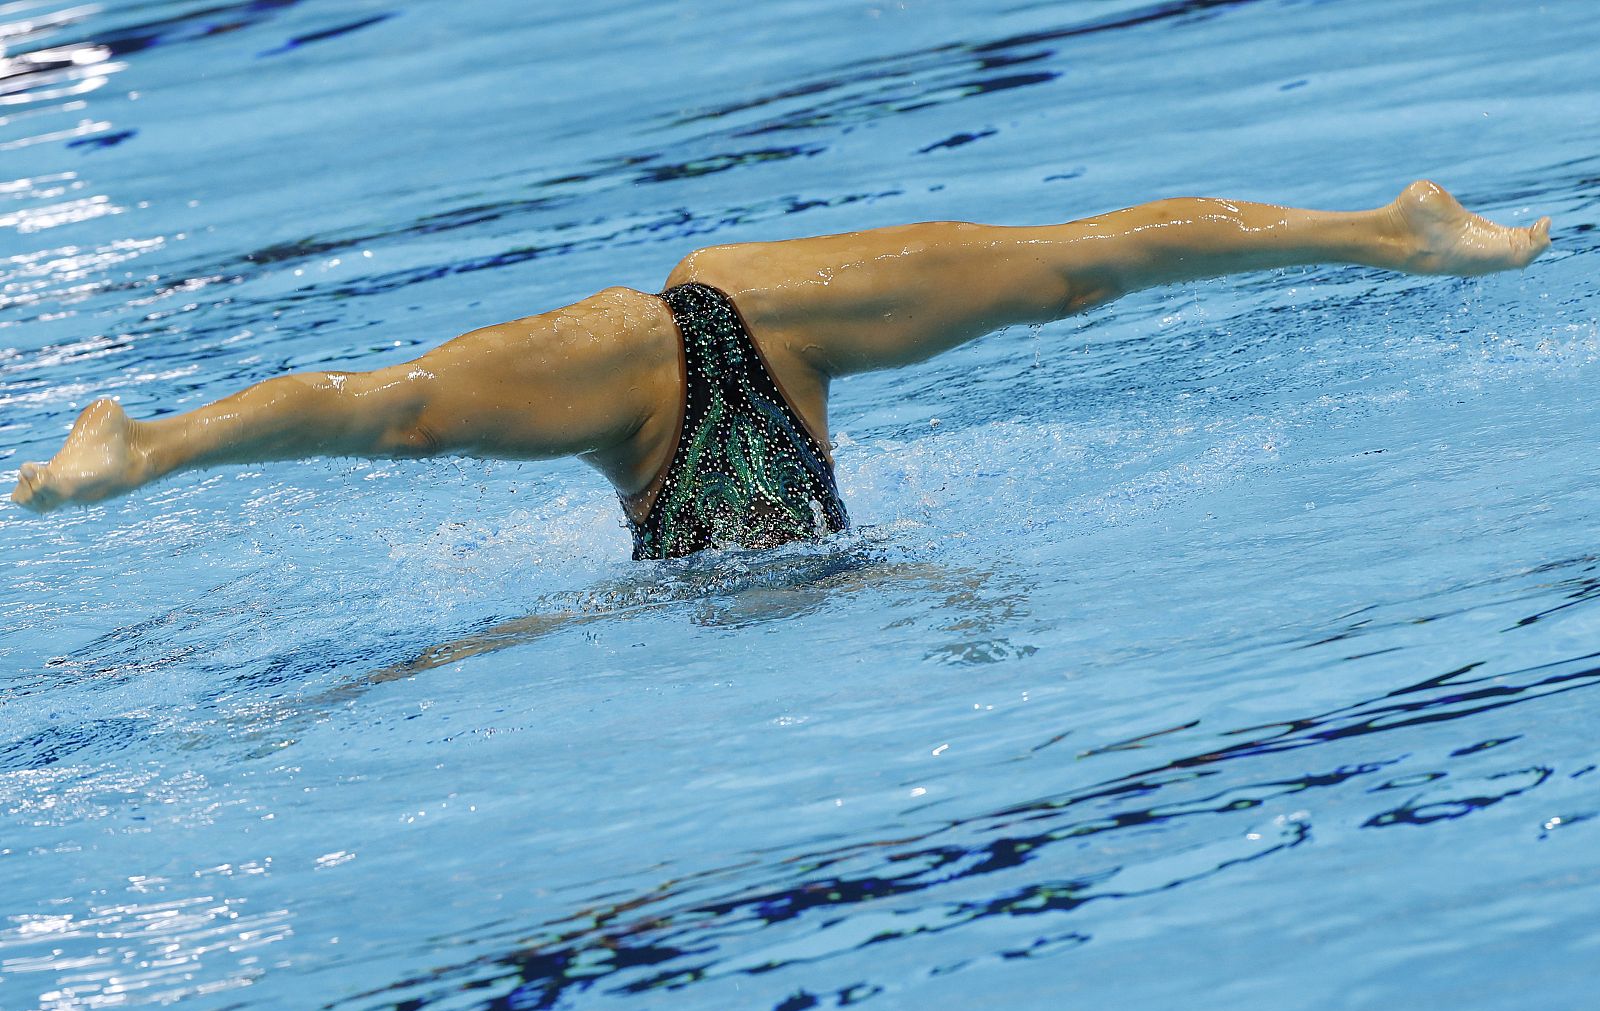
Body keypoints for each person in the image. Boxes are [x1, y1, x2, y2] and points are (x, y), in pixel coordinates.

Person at [9, 181, 1550, 558]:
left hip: (653, 379)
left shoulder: (717, 578)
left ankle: (1392, 230)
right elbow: (890, 574)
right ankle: (139, 444)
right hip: (760, 342)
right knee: (1077, 270)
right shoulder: (810, 573)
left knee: (399, 418)